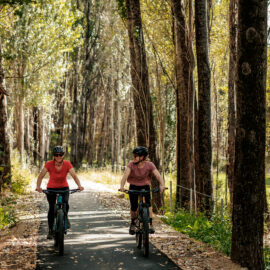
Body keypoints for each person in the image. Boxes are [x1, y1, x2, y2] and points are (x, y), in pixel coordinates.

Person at [36, 146, 84, 239]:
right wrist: (38, 187)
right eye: (56, 155)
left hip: (64, 188)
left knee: (66, 204)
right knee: (51, 208)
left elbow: (74, 175)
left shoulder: (67, 164)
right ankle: (50, 230)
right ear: (53, 156)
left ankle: (65, 216)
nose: (58, 157)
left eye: (60, 155)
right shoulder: (49, 164)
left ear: (63, 155)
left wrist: (79, 186)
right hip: (51, 188)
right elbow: (41, 176)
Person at [119, 146, 165, 235]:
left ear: (142, 157)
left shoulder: (149, 165)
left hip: (145, 186)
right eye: (133, 156)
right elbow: (125, 176)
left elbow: (158, 175)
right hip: (133, 186)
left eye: (135, 156)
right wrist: (122, 186)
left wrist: (162, 185)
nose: (133, 158)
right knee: (134, 206)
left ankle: (150, 223)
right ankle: (133, 223)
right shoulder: (131, 164)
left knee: (148, 204)